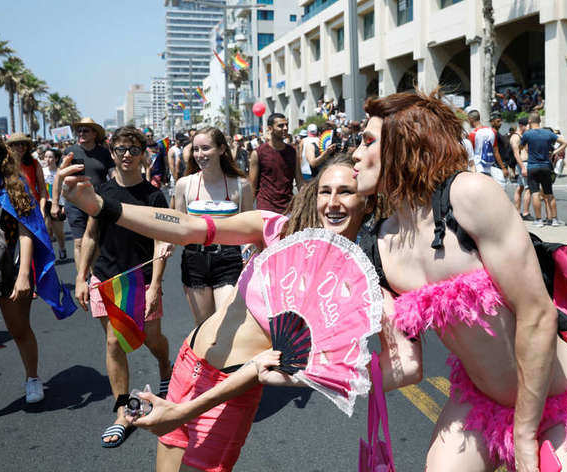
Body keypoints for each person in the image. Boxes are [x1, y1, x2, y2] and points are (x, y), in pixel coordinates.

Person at [58, 154, 420, 472]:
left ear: (368, 205)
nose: (333, 202)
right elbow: (188, 228)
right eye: (326, 191)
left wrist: (313, 379)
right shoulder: (276, 230)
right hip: (187, 364)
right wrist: (101, 207)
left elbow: (408, 366)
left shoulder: (354, 284)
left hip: (224, 394)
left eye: (346, 192)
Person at [352, 90, 567, 471]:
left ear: (405, 142)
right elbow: (405, 365)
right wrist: (315, 374)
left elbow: (538, 314)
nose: (355, 155)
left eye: (368, 142)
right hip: (480, 402)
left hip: (555, 400)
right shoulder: (376, 246)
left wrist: (524, 433)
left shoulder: (468, 195)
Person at [0, 131, 75, 433]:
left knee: (19, 329)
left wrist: (25, 275)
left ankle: (33, 378)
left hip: (9, 266)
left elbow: (27, 229)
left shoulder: (14, 183)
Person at [74, 126, 172, 447]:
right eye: (120, 149)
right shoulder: (101, 192)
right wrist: (81, 276)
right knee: (114, 343)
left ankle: (164, 366)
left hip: (142, 281)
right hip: (106, 280)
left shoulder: (154, 196)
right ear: (112, 153)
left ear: (144, 154)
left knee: (151, 339)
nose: (126, 155)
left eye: (133, 149)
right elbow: (90, 236)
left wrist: (156, 284)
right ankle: (122, 412)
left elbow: (161, 242)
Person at [173, 127, 252, 325]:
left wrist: (249, 254)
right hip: (194, 260)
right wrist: (167, 244)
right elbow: (178, 225)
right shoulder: (185, 185)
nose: (200, 155)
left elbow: (250, 229)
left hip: (229, 259)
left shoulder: (241, 185)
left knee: (225, 323)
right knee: (204, 328)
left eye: (206, 148)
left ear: (221, 149)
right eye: (196, 149)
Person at [51, 117, 114, 271]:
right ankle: (83, 279)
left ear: (94, 134)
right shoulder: (69, 152)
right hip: (75, 204)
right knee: (79, 242)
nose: (81, 133)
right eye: (79, 130)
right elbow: (59, 177)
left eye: (85, 130)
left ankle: (95, 278)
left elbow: (113, 176)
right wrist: (55, 204)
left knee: (96, 241)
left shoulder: (104, 153)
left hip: (97, 202)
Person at [519, 111, 567, 227]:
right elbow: (565, 143)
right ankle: (555, 219)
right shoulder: (548, 134)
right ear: (540, 121)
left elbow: (521, 147)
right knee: (549, 193)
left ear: (530, 121)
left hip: (533, 166)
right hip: (546, 166)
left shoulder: (528, 134)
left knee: (535, 193)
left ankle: (539, 220)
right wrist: (553, 153)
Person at [249, 113, 304, 213]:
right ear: (270, 128)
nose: (285, 128)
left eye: (286, 125)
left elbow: (299, 180)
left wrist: (306, 203)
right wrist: (248, 212)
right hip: (265, 209)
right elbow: (252, 187)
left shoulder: (292, 152)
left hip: (288, 208)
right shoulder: (257, 153)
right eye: (280, 126)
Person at [8, 133, 48, 213]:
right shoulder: (5, 165)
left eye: (23, 144)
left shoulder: (34, 163)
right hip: (12, 210)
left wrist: (42, 209)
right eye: (17, 144)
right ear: (10, 147)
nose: (21, 147)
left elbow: (43, 190)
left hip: (34, 208)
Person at [467, 110, 509, 186]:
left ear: (471, 119)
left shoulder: (472, 135)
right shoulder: (492, 132)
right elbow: (496, 152)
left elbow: (470, 154)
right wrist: (503, 167)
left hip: (477, 167)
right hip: (489, 167)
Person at [42, 148, 67, 260]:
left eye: (50, 157)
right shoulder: (42, 171)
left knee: (59, 232)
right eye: (46, 157)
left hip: (59, 203)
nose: (48, 159)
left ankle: (62, 248)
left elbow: (66, 189)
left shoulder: (61, 172)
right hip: (45, 203)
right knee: (46, 230)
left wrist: (65, 205)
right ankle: (49, 254)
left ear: (56, 158)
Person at [511, 117, 533, 220]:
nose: (529, 128)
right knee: (529, 188)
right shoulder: (515, 137)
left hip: (523, 164)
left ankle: (517, 212)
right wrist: (523, 167)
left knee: (520, 187)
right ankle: (525, 213)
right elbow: (516, 154)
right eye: (528, 126)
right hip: (523, 164)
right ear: (521, 126)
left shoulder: (523, 136)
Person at [167, 132, 187, 208]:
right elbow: (171, 165)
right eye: (180, 140)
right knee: (174, 196)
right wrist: (176, 178)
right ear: (176, 140)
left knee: (180, 197)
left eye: (182, 140)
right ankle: (171, 212)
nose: (181, 142)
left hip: (182, 176)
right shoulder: (172, 150)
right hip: (175, 177)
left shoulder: (181, 149)